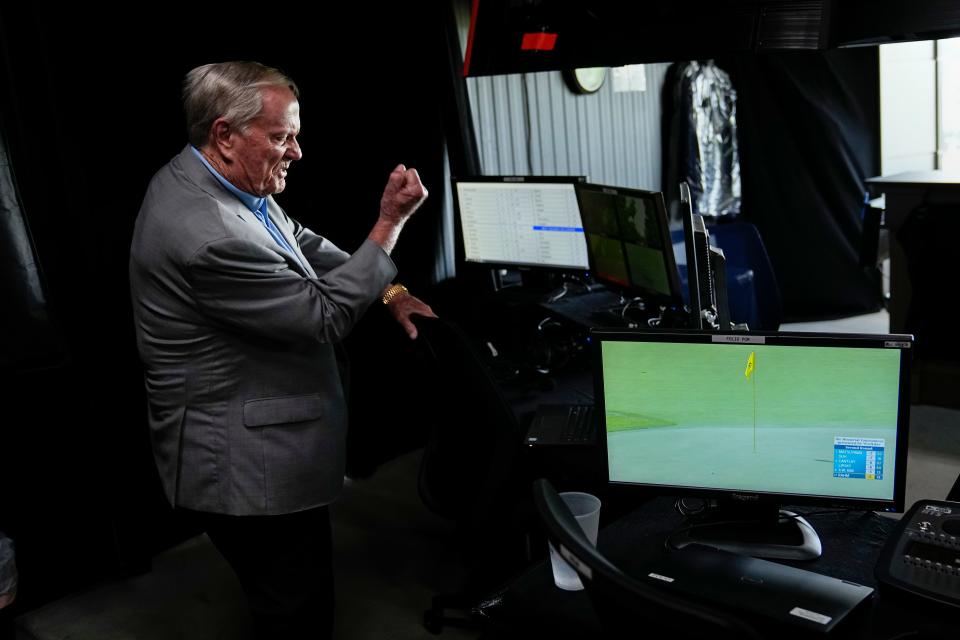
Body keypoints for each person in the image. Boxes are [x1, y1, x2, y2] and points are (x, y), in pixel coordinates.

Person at [129, 60, 435, 638]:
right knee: (297, 611)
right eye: (281, 137)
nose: (296, 152)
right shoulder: (209, 235)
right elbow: (324, 315)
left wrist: (389, 288)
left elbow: (294, 239)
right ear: (224, 134)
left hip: (245, 435)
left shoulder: (207, 174)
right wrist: (389, 222)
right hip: (244, 467)